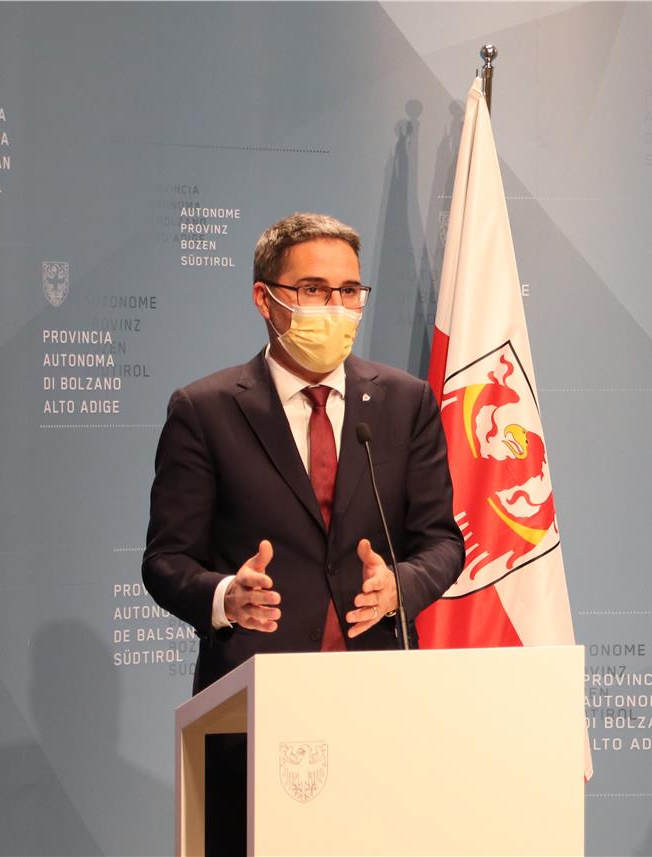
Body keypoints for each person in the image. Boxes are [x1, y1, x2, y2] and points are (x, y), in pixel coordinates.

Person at [142, 212, 464, 695]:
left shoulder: (406, 402)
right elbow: (167, 560)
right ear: (264, 299)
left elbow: (442, 541)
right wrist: (227, 597)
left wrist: (399, 586)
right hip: (255, 687)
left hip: (380, 683)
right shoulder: (204, 411)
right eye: (313, 289)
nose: (336, 308)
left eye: (349, 291)